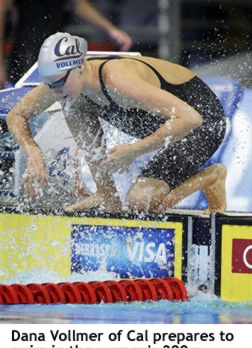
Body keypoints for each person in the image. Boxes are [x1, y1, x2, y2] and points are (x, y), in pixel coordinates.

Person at [6, 32, 227, 215]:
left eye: (59, 82)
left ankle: (211, 177)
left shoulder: (117, 81)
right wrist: (33, 151)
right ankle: (106, 194)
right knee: (73, 105)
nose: (54, 90)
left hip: (202, 123)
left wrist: (134, 151)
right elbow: (16, 115)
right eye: (48, 84)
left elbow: (191, 118)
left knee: (141, 203)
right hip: (165, 125)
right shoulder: (61, 82)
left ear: (80, 67)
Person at [0, 0, 132, 87]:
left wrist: (111, 30)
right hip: (26, 53)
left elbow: (79, 5)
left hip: (57, 53)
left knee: (59, 105)